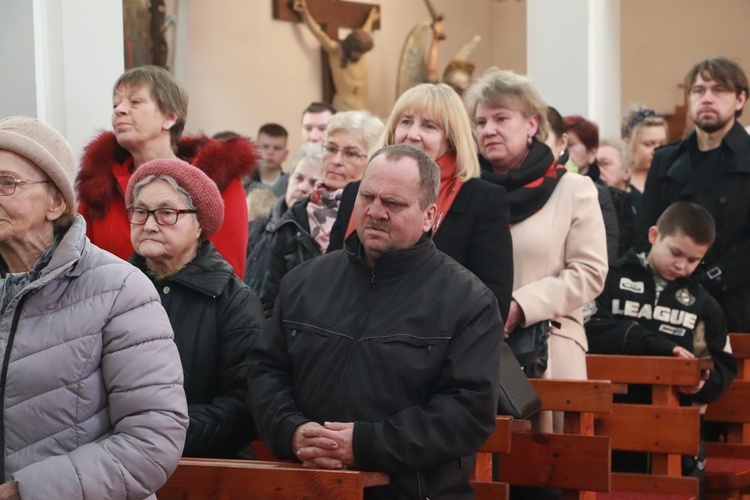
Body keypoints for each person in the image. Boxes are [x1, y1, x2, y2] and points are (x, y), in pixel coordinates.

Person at [247, 144, 502, 499]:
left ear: (430, 216)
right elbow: (265, 371)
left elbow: (467, 411)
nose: (375, 212)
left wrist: (366, 444)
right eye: (367, 197)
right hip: (305, 486)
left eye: (394, 204)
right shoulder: (305, 282)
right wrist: (291, 430)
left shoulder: (467, 301)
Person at [0, 116, 188, 498]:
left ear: (56, 202)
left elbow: (152, 440)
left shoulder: (119, 289)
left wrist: (26, 492)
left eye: (7, 183)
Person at [464, 68, 608, 430]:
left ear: (531, 125)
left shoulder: (573, 189)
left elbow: (590, 273)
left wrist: (520, 305)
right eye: (480, 121)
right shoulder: (467, 190)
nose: (488, 130)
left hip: (547, 348)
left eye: (501, 118)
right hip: (474, 351)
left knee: (544, 472)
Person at [328, 83, 513, 320]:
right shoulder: (356, 192)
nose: (412, 134)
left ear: (451, 139)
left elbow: (492, 303)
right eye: (405, 121)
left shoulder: (482, 199)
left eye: (429, 126)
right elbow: (330, 277)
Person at [586, 201, 736, 488]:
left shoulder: (704, 304)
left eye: (694, 260)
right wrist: (659, 346)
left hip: (672, 426)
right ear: (654, 235)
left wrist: (700, 384)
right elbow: (590, 330)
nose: (682, 266)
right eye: (676, 253)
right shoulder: (609, 278)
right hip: (606, 416)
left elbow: (723, 366)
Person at [125, 159, 264, 458]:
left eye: (166, 213)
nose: (149, 224)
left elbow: (245, 404)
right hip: (116, 461)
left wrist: (162, 436)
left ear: (200, 223)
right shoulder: (111, 289)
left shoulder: (233, 300)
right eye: (140, 211)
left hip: (207, 468)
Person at [76, 65, 256, 279]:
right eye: (116, 103)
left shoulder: (219, 184)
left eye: (135, 102)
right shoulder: (98, 189)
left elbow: (228, 277)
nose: (119, 110)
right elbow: (81, 267)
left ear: (170, 116)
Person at [636, 57, 750, 332]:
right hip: (669, 299)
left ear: (740, 100)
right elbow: (645, 231)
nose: (707, 98)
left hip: (735, 300)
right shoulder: (665, 159)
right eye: (699, 90)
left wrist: (711, 278)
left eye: (719, 90)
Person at [261, 110, 383, 316]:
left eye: (350, 153)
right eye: (331, 148)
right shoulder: (296, 215)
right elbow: (271, 301)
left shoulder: (378, 216)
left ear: (374, 159)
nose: (336, 160)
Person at [245, 143, 324, 296]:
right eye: (298, 178)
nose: (302, 187)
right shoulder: (255, 229)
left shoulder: (322, 240)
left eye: (313, 183)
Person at [292, 0, 379, 111]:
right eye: (359, 52)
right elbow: (318, 33)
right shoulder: (336, 51)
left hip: (361, 106)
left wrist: (371, 18)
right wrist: (304, 13)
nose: (361, 55)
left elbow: (365, 31)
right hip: (344, 105)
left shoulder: (360, 50)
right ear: (351, 47)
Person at [564, 115, 620, 263]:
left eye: (570, 144)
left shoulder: (600, 193)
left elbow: (608, 246)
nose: (563, 150)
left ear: (592, 153)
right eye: (559, 142)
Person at [598, 137, 638, 257]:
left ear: (627, 171)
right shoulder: (584, 201)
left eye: (605, 164)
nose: (597, 170)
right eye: (594, 164)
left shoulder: (640, 206)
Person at [622, 105, 668, 194]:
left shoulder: (668, 180)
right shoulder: (619, 181)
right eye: (649, 144)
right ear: (628, 144)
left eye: (662, 144)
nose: (657, 150)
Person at [246, 123, 289, 197]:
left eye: (277, 148)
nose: (270, 152)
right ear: (255, 149)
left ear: (285, 154)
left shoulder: (289, 185)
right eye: (265, 146)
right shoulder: (244, 183)